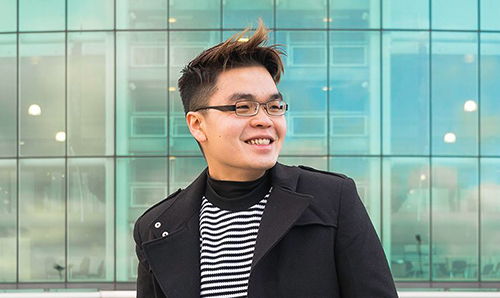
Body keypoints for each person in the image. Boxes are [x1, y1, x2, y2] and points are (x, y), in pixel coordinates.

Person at [134, 20, 399, 298]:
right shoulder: (157, 228)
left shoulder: (333, 200)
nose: (264, 120)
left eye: (274, 106)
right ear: (197, 124)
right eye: (243, 107)